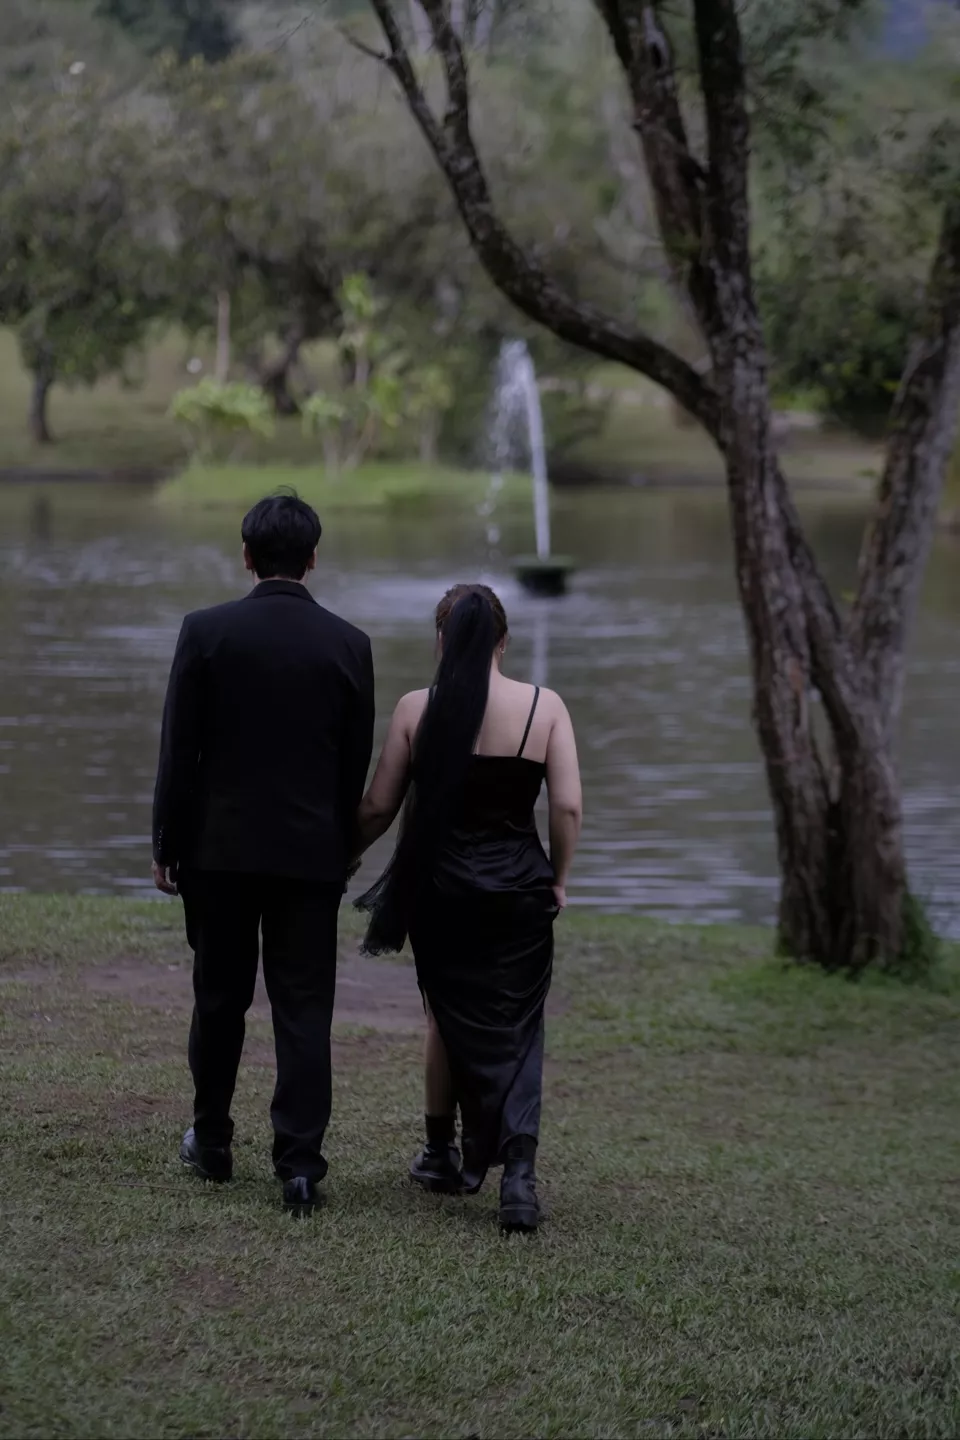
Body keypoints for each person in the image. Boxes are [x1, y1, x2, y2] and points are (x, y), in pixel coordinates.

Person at [151, 492, 375, 1216]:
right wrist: (342, 848)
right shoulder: (349, 645)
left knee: (219, 997)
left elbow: (178, 751)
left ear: (246, 556)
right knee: (303, 1008)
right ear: (314, 559)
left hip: (218, 852)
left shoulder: (206, 631)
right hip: (310, 855)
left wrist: (166, 842)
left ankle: (213, 1141)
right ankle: (300, 1165)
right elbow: (352, 766)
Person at [353, 583, 582, 1232]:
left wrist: (343, 854)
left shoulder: (415, 709)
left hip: (441, 891)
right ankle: (519, 1179)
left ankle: (439, 1153)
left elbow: (378, 807)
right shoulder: (545, 707)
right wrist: (558, 878)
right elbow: (567, 807)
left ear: (441, 640)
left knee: (444, 1016)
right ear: (503, 641)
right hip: (520, 889)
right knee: (522, 1024)